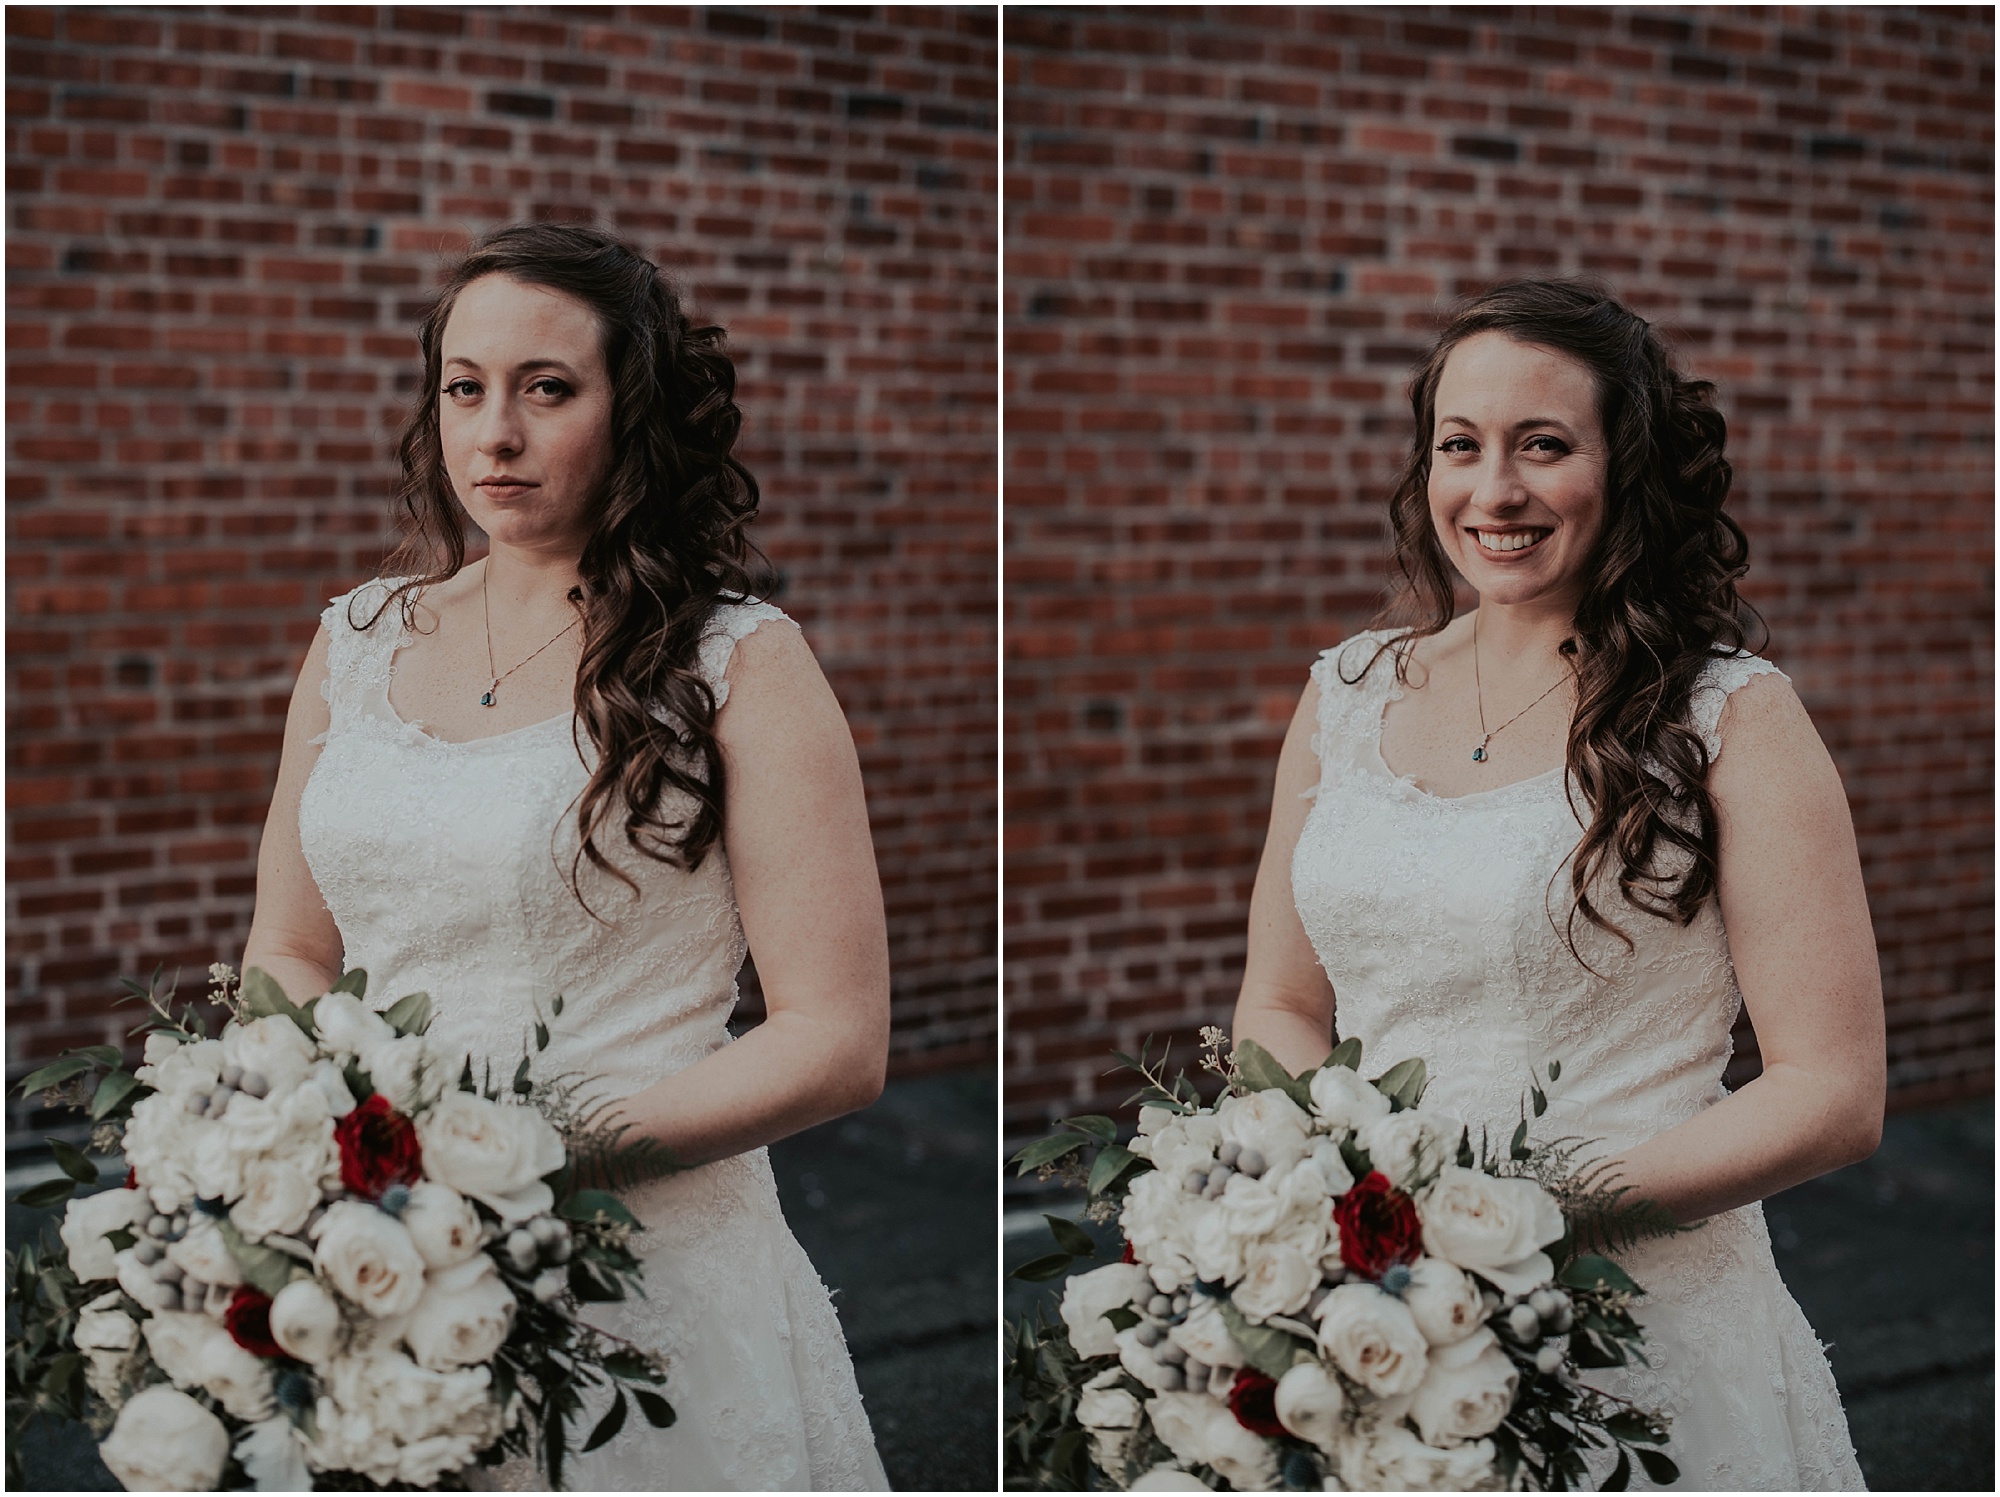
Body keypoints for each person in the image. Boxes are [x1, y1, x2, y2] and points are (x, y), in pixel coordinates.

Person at [242, 222, 892, 1490]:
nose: (494, 435)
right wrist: (357, 1152)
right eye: (464, 389)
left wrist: (520, 1153)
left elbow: (835, 1039)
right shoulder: (357, 638)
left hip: (641, 1277)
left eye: (547, 389)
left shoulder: (738, 663)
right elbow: (288, 947)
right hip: (380, 1251)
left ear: (630, 411)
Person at [1234, 280, 1880, 1490]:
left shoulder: (1729, 718)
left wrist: (1515, 1212)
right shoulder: (1345, 693)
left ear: (1622, 468)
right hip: (1376, 1314)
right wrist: (1342, 1209)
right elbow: (1278, 1003)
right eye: (1459, 446)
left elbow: (1829, 1094)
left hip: (1638, 1323)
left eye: (1542, 445)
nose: (1493, 492)